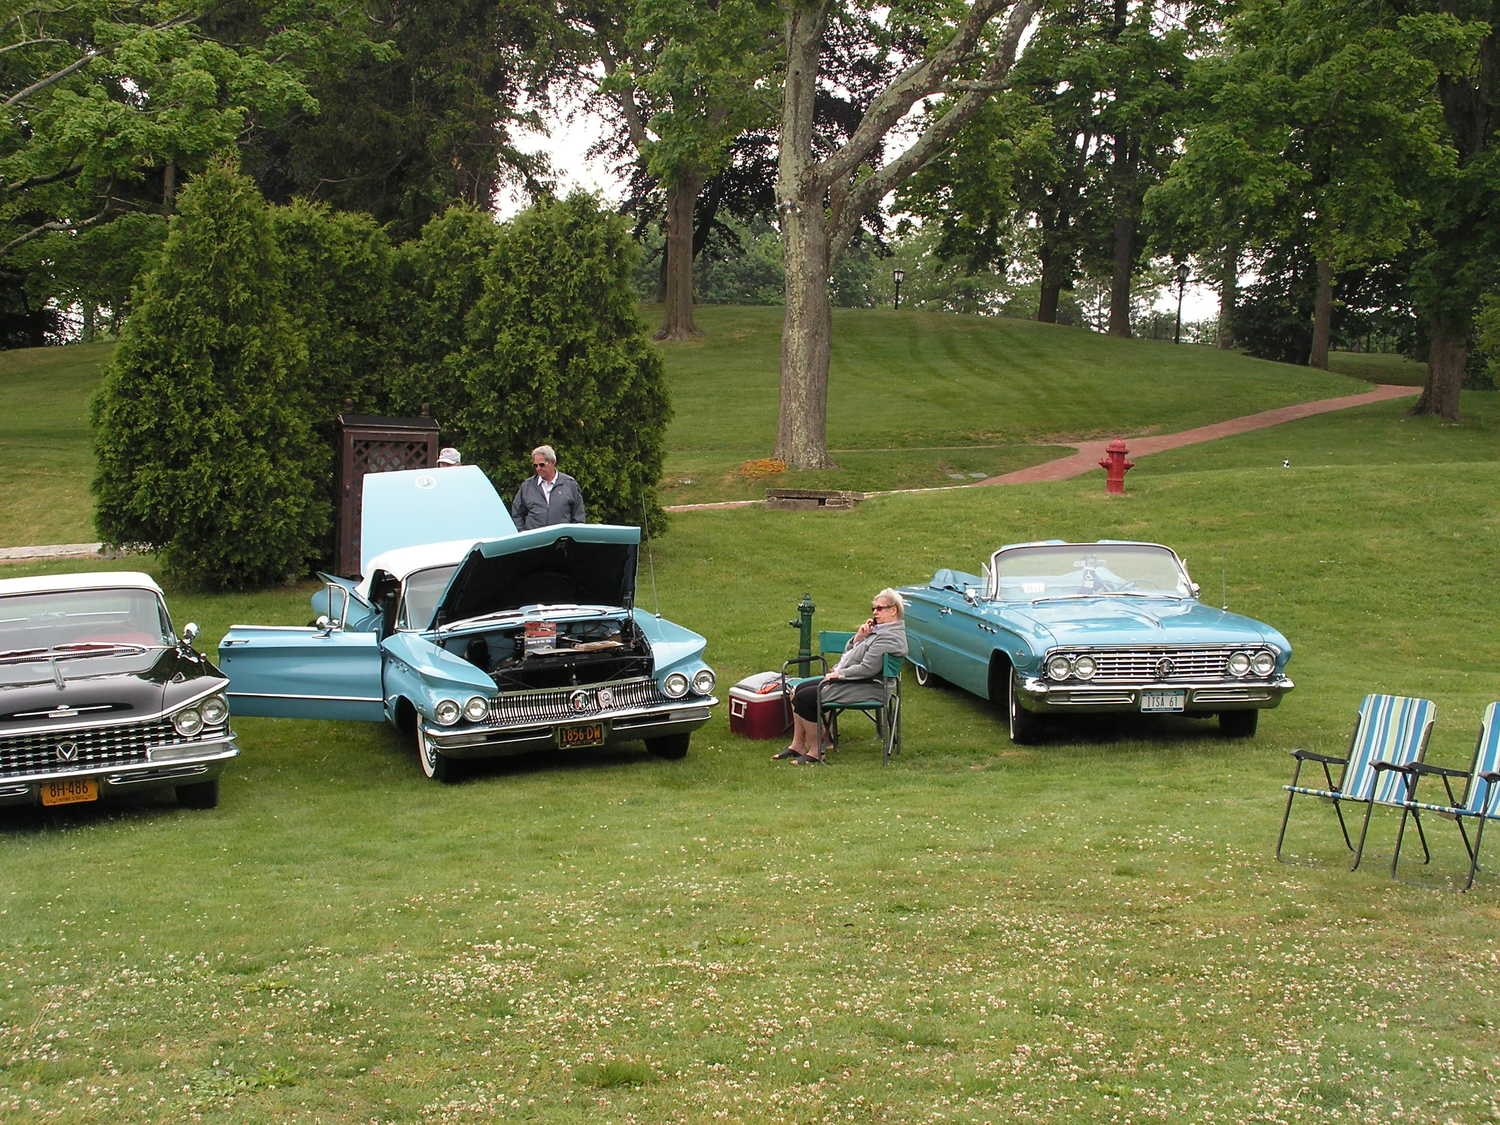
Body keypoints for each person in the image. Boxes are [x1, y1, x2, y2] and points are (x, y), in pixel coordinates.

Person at [775, 589, 908, 765]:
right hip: (857, 681)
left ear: (893, 610)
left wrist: (840, 674)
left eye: (880, 608)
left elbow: (867, 669)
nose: (875, 612)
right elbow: (850, 656)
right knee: (797, 689)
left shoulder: (889, 637)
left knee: (806, 697)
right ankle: (798, 745)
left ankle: (816, 751)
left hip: (870, 687)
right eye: (873, 608)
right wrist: (859, 637)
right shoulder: (878, 632)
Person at [511, 444, 586, 529]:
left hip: (561, 539)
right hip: (535, 540)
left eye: (542, 465)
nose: (538, 468)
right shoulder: (527, 486)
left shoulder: (570, 484)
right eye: (535, 465)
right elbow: (517, 514)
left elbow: (578, 517)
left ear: (552, 462)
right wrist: (523, 534)